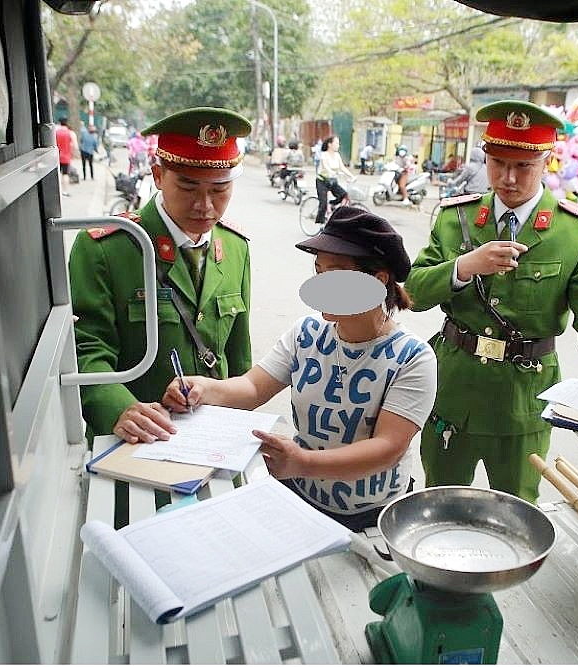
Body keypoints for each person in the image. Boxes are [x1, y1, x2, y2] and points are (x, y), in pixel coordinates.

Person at [404, 99, 578, 504]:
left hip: (524, 396)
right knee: (440, 501)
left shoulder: (577, 231)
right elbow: (412, 293)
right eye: (498, 163)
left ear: (546, 161)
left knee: (516, 507)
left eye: (523, 166)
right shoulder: (456, 219)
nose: (508, 178)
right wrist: (464, 266)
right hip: (454, 388)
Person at [164, 207, 437, 531]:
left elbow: (387, 449)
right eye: (318, 272)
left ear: (378, 280)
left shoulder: (413, 358)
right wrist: (204, 389)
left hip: (373, 519)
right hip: (301, 498)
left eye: (334, 274)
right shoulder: (306, 333)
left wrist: (302, 462)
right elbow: (253, 387)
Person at [68, 107, 254, 448]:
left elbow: (239, 357)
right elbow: (86, 349)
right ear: (157, 174)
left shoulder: (235, 247)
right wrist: (119, 409)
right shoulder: (106, 249)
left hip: (212, 443)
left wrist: (241, 431)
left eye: (220, 189)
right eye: (188, 187)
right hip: (133, 443)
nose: (205, 206)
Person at [315, 135, 356, 226]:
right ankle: (320, 224)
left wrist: (351, 176)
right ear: (330, 144)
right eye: (336, 143)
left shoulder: (337, 155)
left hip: (332, 181)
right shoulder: (324, 155)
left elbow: (342, 167)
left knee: (344, 195)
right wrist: (331, 172)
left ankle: (331, 204)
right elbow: (325, 166)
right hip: (322, 181)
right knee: (323, 204)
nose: (338, 145)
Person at [55, 118, 74, 196]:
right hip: (66, 157)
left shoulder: (56, 132)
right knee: (65, 174)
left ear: (60, 123)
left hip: (57, 156)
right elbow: (74, 145)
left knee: (57, 174)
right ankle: (65, 191)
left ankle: (57, 191)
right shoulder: (70, 133)